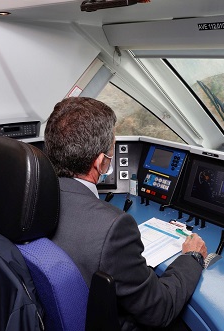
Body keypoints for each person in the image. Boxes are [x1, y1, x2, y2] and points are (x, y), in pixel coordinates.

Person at [44, 97, 208, 330]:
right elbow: (159, 310)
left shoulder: (30, 200)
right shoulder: (113, 227)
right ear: (101, 162)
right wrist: (192, 258)